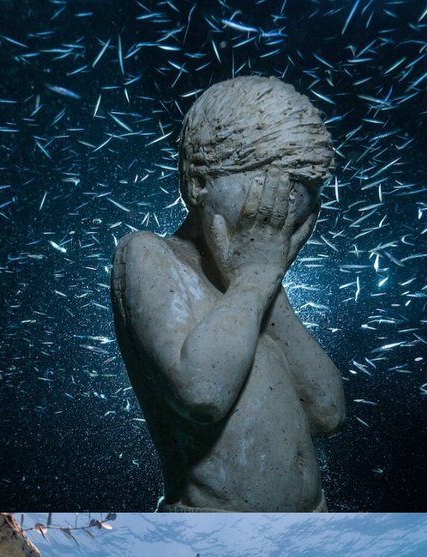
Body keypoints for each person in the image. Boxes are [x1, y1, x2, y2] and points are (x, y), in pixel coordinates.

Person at [111, 75, 345, 512]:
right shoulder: (148, 254)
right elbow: (202, 392)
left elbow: (327, 412)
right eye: (268, 196)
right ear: (200, 182)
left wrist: (266, 282)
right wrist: (256, 278)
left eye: (303, 205)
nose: (280, 223)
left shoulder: (252, 286)